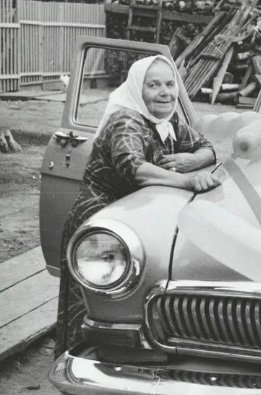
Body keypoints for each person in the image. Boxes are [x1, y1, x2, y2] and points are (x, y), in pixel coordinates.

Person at [54, 55, 221, 357]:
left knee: (129, 305)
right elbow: (134, 168)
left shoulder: (168, 121)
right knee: (94, 307)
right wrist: (186, 180)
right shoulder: (126, 119)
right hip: (102, 224)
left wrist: (193, 159)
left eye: (170, 84)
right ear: (136, 88)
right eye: (153, 85)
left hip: (135, 225)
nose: (164, 93)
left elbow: (208, 147)